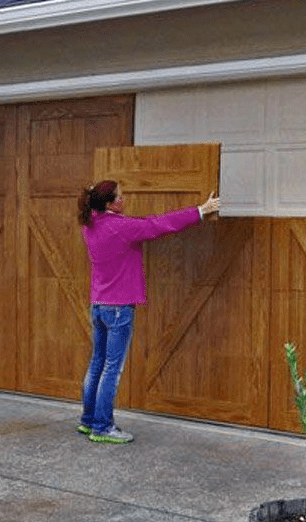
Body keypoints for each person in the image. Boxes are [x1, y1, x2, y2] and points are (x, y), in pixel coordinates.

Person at [76, 180, 220, 443]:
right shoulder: (120, 228)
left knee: (97, 364)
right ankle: (103, 427)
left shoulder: (90, 224)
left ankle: (88, 421)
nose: (124, 198)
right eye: (120, 195)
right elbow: (158, 225)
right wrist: (200, 210)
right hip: (119, 309)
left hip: (98, 305)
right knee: (111, 369)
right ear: (110, 203)